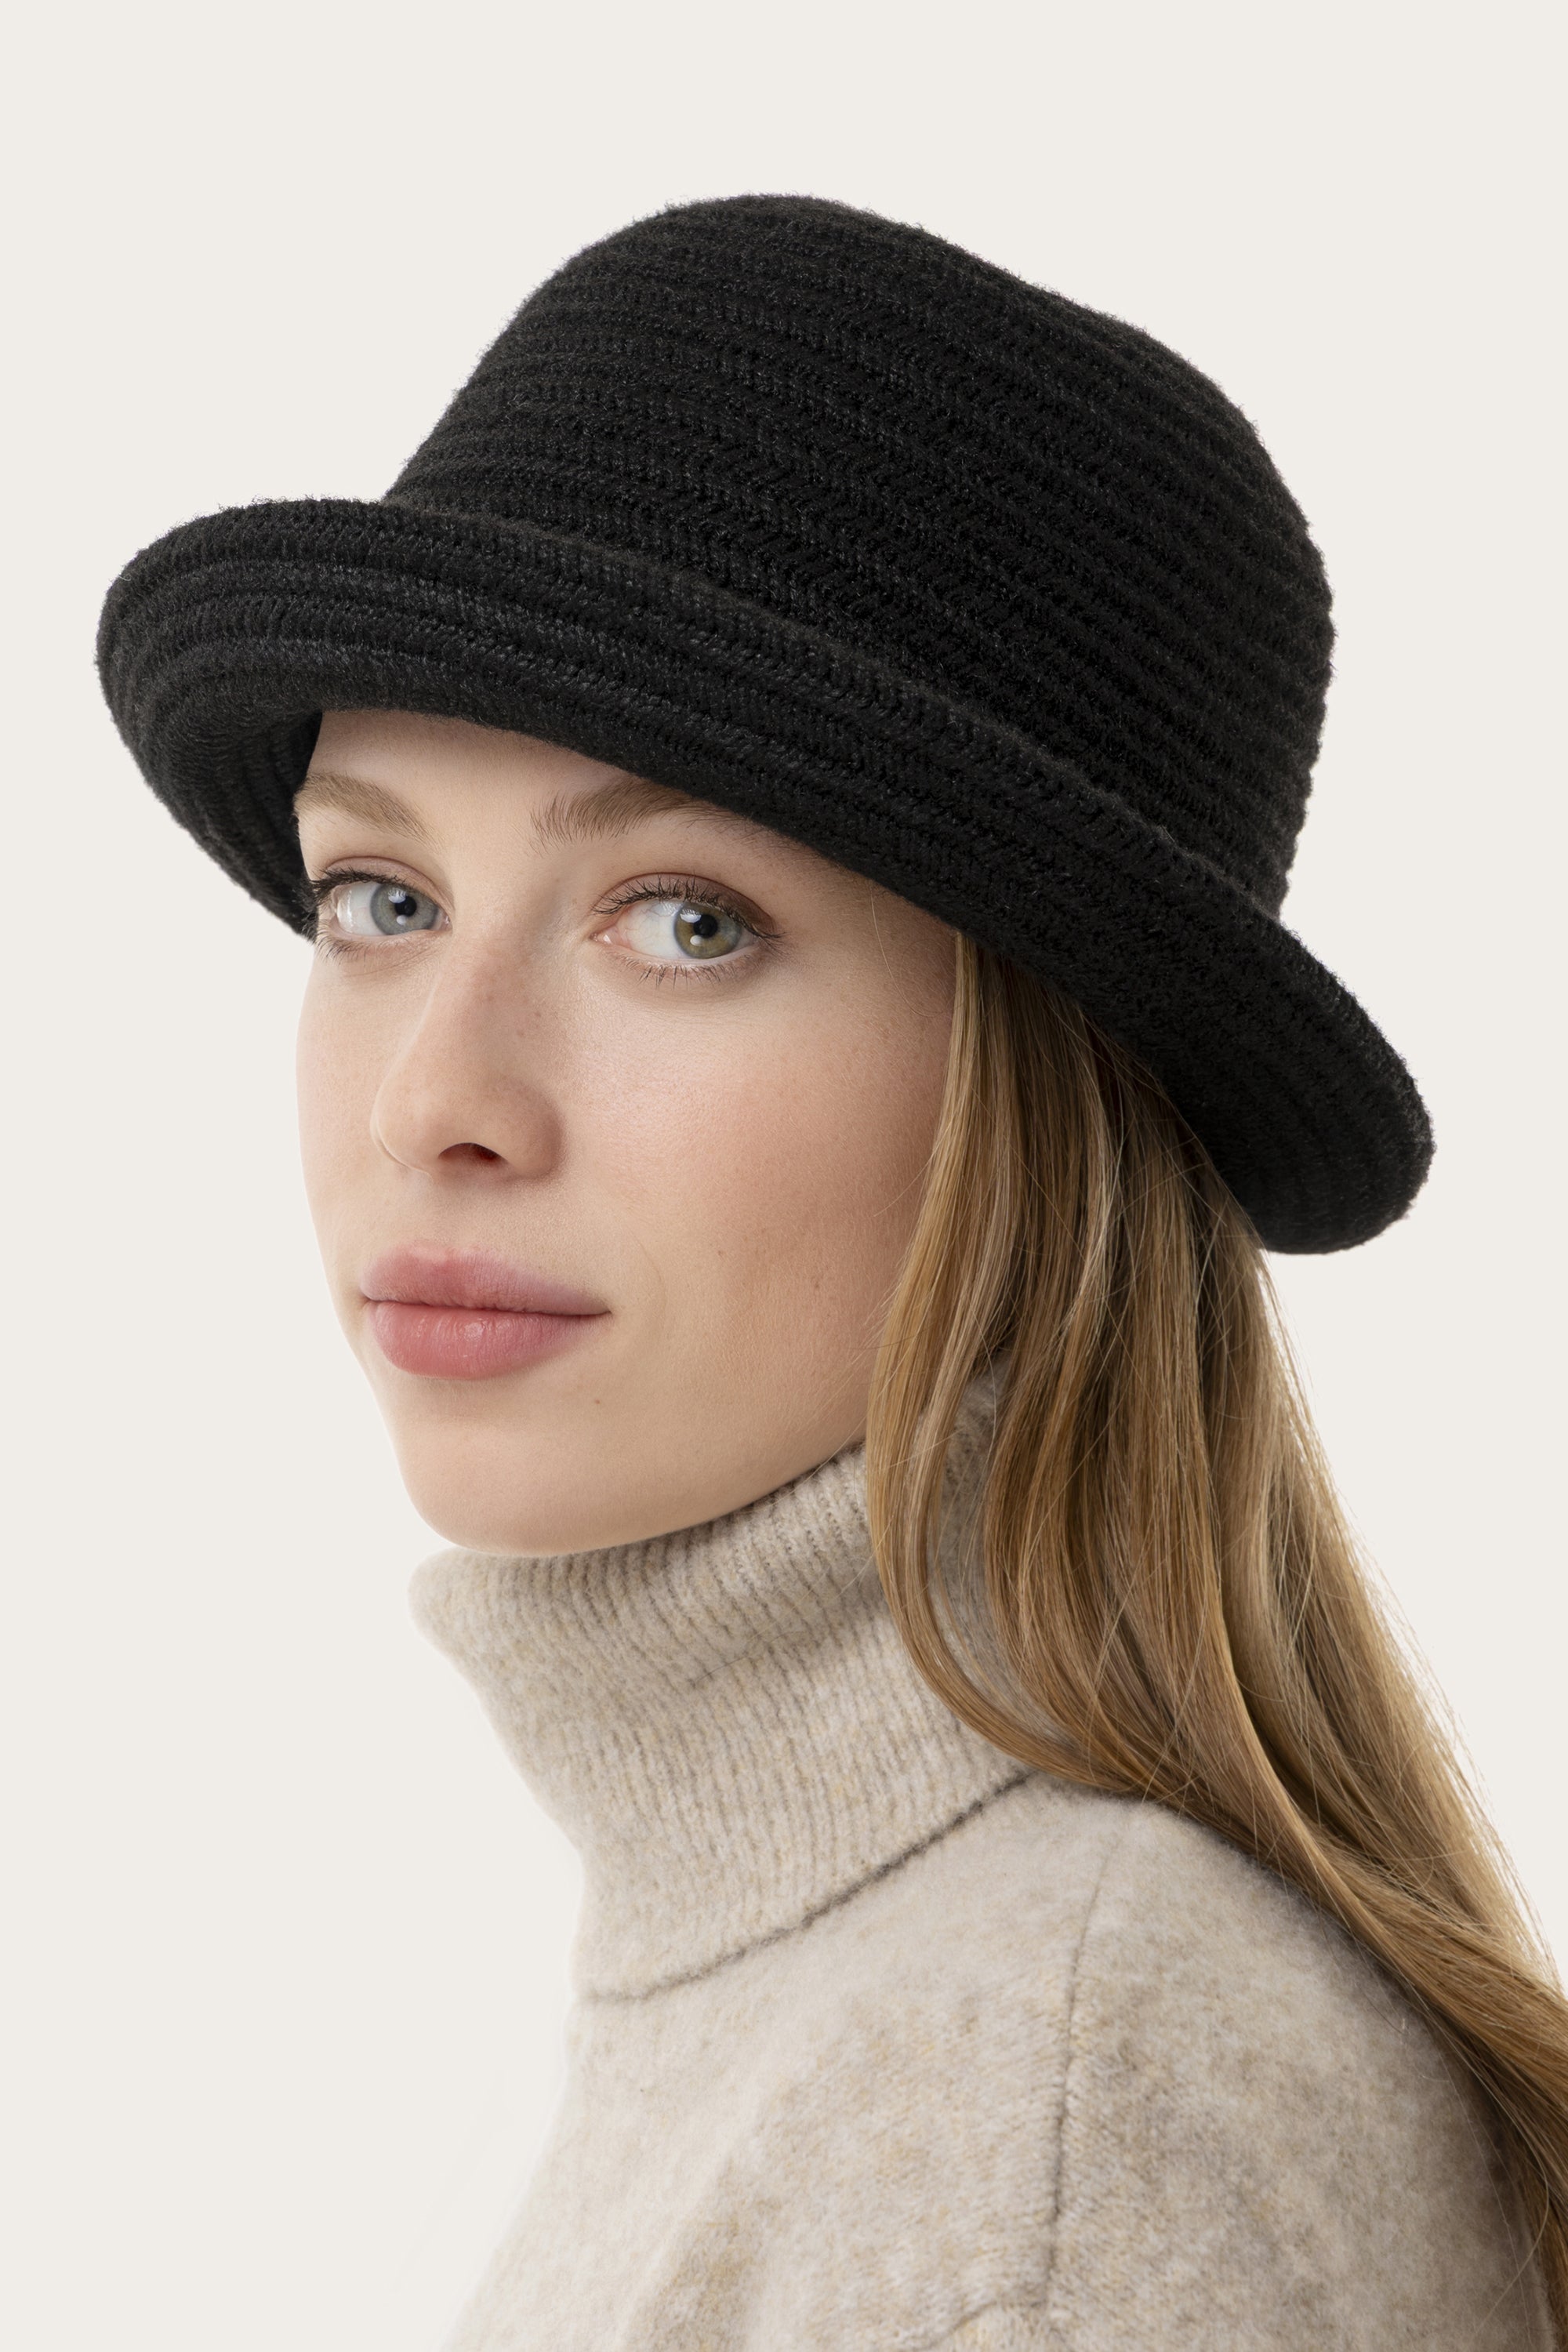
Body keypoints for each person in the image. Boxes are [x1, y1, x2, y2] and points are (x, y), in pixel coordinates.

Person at [97, 194, 1566, 2347]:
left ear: (1045, 1094)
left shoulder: (1051, 2124)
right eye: (380, 899)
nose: (435, 1100)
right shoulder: (887, 2009)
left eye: (686, 921)